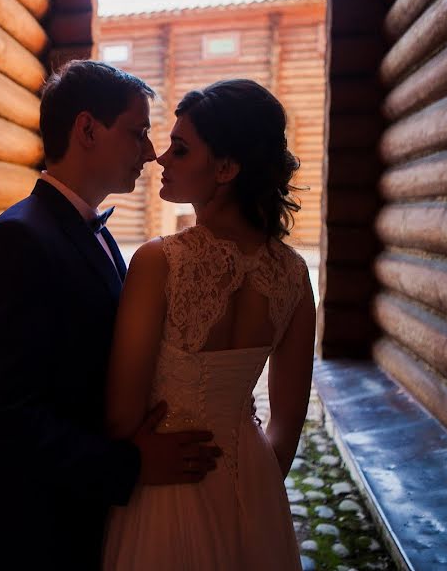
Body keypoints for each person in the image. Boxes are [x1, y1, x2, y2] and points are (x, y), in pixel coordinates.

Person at [0, 61, 220, 570]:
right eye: (138, 132)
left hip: (83, 520)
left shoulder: (94, 233)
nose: (150, 151)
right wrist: (131, 464)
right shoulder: (18, 240)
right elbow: (2, 422)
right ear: (86, 130)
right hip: (33, 536)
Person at [102, 79, 316, 571]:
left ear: (225, 168)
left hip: (164, 489)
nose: (162, 159)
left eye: (180, 149)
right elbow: (288, 417)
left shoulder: (160, 262)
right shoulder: (292, 274)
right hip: (253, 482)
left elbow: (120, 416)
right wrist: (256, 484)